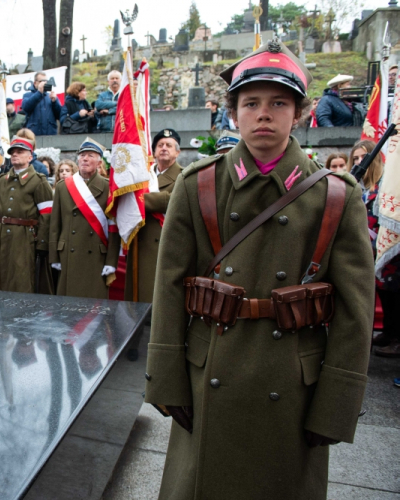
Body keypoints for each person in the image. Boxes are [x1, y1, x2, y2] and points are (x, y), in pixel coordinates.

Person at [145, 41, 374, 499]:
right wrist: (166, 379)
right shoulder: (197, 186)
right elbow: (169, 288)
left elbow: (355, 312)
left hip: (291, 385)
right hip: (209, 373)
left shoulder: (335, 196)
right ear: (233, 113)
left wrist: (335, 405)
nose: (263, 113)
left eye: (278, 103)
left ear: (300, 114)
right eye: (251, 103)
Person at [123, 129, 183, 362]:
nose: (164, 148)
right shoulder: (143, 175)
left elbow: (172, 200)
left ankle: (164, 348)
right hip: (142, 243)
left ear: (177, 152)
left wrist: (136, 199)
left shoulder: (183, 176)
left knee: (165, 301)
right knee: (136, 299)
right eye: (160, 145)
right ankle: (134, 344)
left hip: (167, 246)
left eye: (169, 145)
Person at [50, 137, 119, 299]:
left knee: (94, 309)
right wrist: (54, 256)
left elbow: (113, 227)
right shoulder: (63, 187)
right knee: (68, 309)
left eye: (90, 155)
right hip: (68, 254)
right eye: (82, 155)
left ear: (99, 162)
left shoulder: (108, 188)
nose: (85, 159)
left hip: (96, 256)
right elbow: (55, 225)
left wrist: (111, 261)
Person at [0, 137, 53, 293]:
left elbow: (47, 216)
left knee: (23, 279)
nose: (15, 155)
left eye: (20, 152)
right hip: (2, 237)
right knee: (1, 278)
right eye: (12, 152)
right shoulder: (2, 181)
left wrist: (42, 243)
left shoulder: (38, 181)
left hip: (26, 238)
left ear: (30, 157)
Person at [356, 140, 400, 358]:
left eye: (363, 157)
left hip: (389, 248)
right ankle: (391, 333)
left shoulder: (386, 186)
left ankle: (397, 339)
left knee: (395, 293)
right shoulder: (362, 187)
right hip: (372, 249)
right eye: (354, 158)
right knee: (385, 294)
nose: (359, 162)